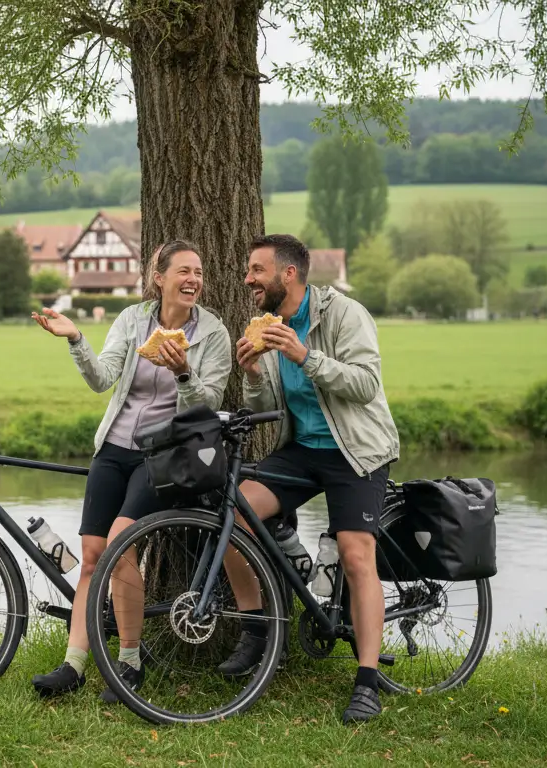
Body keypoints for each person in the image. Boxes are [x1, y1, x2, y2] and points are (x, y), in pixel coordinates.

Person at [29, 240, 232, 700]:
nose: (193, 280)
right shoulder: (133, 319)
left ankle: (129, 663)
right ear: (158, 277)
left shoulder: (213, 333)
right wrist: (76, 339)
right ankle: (74, 666)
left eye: (198, 272)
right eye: (183, 271)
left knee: (121, 546)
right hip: (114, 448)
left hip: (163, 456)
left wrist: (183, 372)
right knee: (92, 556)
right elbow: (102, 379)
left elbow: (208, 406)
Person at [228, 233, 401, 724]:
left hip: (356, 451)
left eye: (256, 270)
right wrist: (256, 375)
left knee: (355, 553)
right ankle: (258, 628)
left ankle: (366, 682)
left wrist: (304, 355)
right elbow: (267, 411)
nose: (247, 279)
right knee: (237, 512)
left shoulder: (344, 315)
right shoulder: (270, 326)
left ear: (288, 273)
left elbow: (366, 385)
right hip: (302, 450)